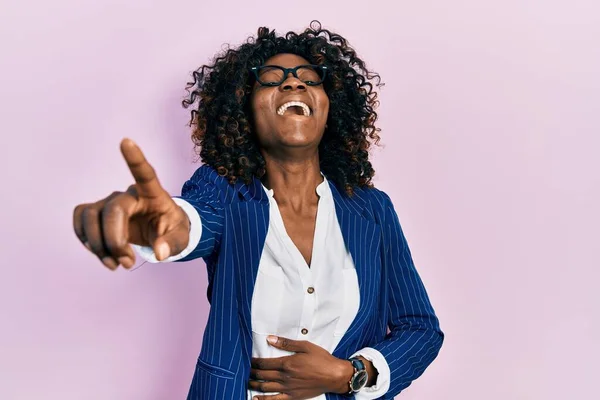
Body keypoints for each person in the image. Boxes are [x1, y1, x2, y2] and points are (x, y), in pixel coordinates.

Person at [73, 21, 444, 400]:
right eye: (270, 79)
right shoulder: (225, 192)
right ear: (244, 111)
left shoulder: (372, 209)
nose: (293, 84)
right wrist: (156, 227)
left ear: (331, 107)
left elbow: (420, 329)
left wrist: (349, 375)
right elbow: (195, 221)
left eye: (309, 79)